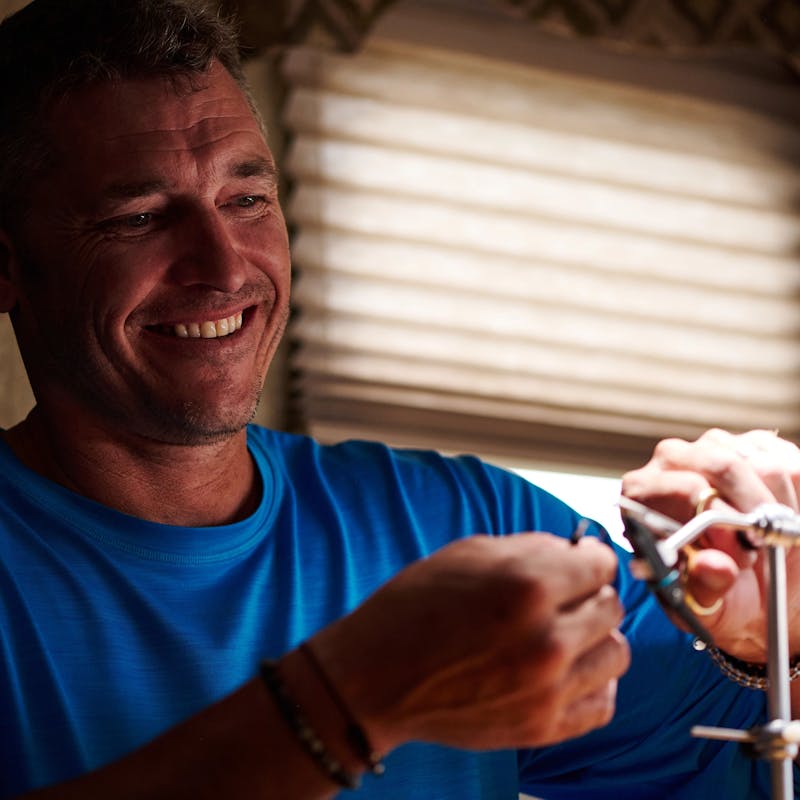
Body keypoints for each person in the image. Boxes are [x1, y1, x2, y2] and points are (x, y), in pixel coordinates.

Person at [0, 1, 796, 798]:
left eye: (246, 201)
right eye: (138, 217)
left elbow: (737, 761)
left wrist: (769, 639)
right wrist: (351, 698)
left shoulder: (465, 523)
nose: (223, 266)